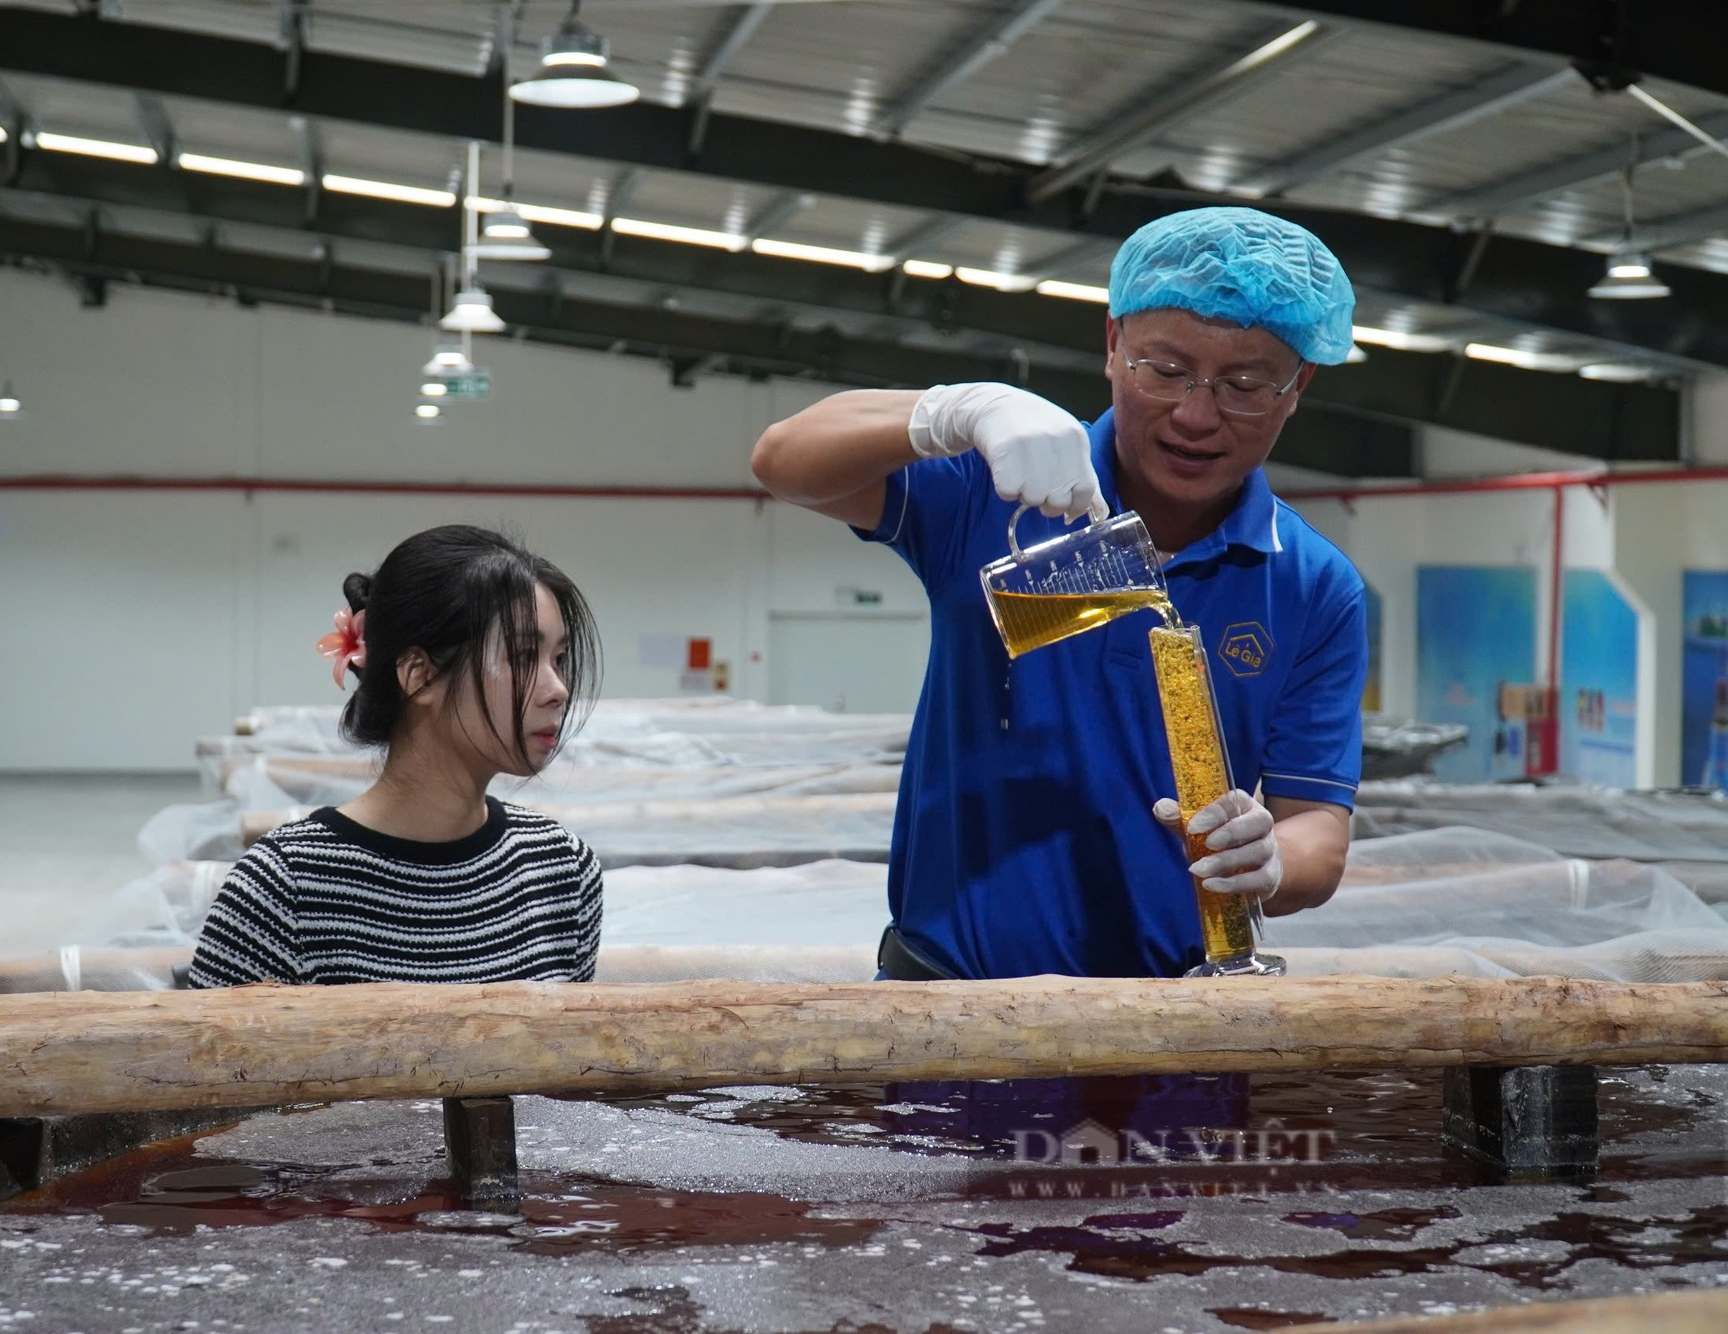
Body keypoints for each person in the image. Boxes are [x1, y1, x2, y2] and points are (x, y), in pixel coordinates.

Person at [751, 207, 1366, 981]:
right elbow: (783, 462)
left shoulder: (1311, 583)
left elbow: (1318, 828)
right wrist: (954, 413)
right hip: (950, 1006)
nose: (1196, 415)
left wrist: (1272, 860)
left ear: (1297, 387)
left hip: (1179, 1023)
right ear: (1113, 345)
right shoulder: (1002, 485)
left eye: (1245, 385)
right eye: (1165, 371)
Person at [189, 525, 604, 988]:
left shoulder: (561, 870)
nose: (559, 690)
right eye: (525, 657)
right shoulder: (284, 889)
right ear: (419, 676)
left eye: (559, 660)